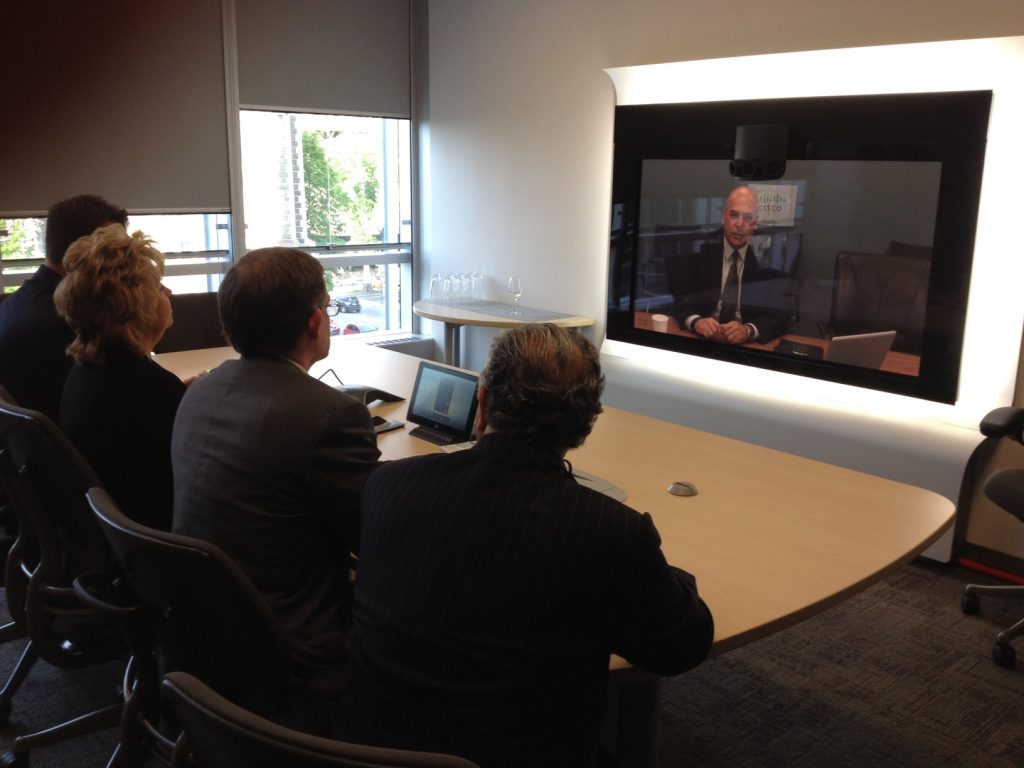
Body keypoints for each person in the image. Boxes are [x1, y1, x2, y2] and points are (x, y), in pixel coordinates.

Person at [335, 324, 714, 768]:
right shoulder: (609, 532)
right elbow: (681, 646)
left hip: (366, 750)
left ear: (483, 401)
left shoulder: (388, 486)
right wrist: (672, 578)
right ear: (585, 425)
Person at [171, 247, 381, 674]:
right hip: (291, 642)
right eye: (326, 305)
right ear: (313, 321)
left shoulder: (199, 392)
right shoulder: (330, 414)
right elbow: (374, 537)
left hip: (205, 626)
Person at [55, 224, 184, 531]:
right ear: (137, 306)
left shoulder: (89, 370)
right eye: (160, 287)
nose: (169, 293)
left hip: (120, 538)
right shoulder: (150, 390)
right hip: (167, 544)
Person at [0, 194, 128, 420]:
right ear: (83, 251)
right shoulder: (60, 321)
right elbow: (101, 410)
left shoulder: (19, 302)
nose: (125, 263)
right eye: (115, 252)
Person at [672, 185, 789, 344]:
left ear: (755, 223)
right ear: (723, 217)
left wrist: (748, 330)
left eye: (747, 217)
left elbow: (780, 316)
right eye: (734, 215)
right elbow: (681, 300)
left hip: (746, 347)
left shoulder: (768, 258)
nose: (739, 224)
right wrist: (696, 322)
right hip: (701, 341)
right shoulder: (702, 251)